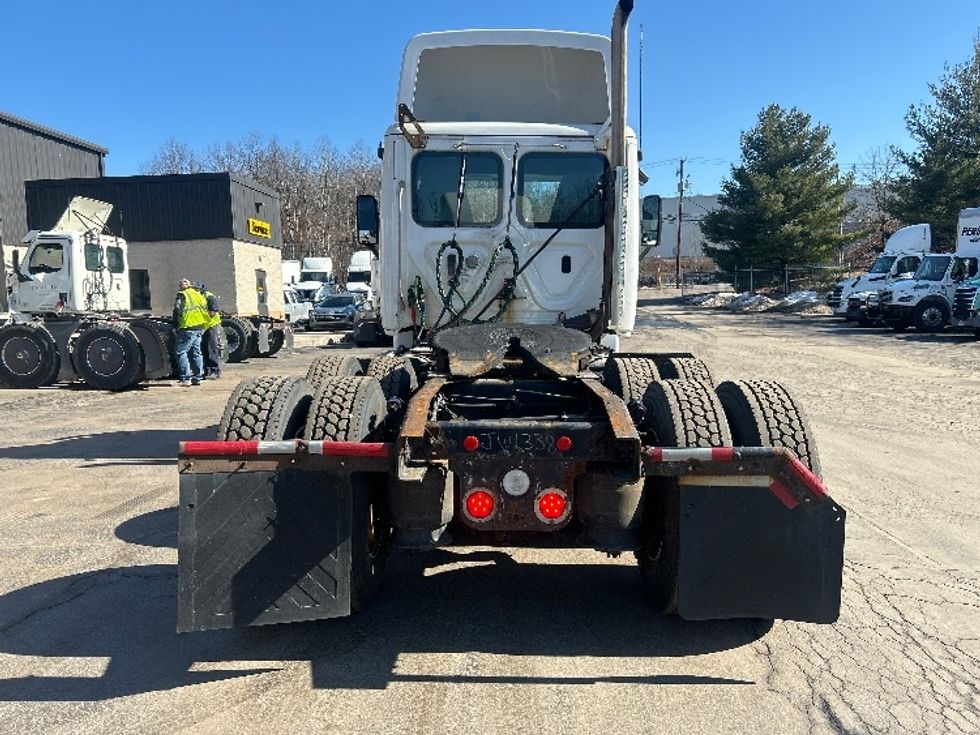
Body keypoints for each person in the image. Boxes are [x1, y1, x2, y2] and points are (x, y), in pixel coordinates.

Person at [173, 278, 208, 386]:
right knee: (196, 352)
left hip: (188, 326)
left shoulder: (182, 295)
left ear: (182, 286)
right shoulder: (198, 294)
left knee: (181, 352)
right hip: (200, 326)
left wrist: (175, 325)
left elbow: (178, 310)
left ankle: (185, 378)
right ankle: (198, 377)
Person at [196, 283, 223, 379]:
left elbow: (213, 312)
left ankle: (215, 370)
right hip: (204, 326)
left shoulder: (210, 297)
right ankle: (207, 370)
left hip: (211, 325)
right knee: (203, 348)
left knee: (212, 347)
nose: (197, 291)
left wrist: (202, 317)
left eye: (198, 289)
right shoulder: (200, 297)